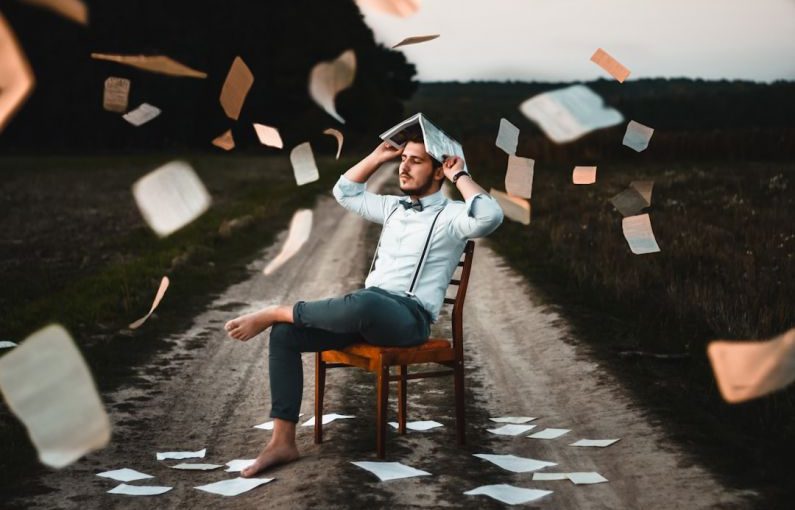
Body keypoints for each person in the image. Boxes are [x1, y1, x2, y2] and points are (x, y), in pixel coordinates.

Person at [224, 133, 504, 477]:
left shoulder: (454, 216)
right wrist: (377, 156)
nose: (404, 167)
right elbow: (344, 192)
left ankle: (278, 311)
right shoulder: (392, 207)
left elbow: (490, 216)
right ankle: (282, 442)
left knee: (364, 302)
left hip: (408, 319)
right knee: (285, 336)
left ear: (438, 171)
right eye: (403, 159)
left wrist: (460, 175)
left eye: (415, 161)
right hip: (367, 314)